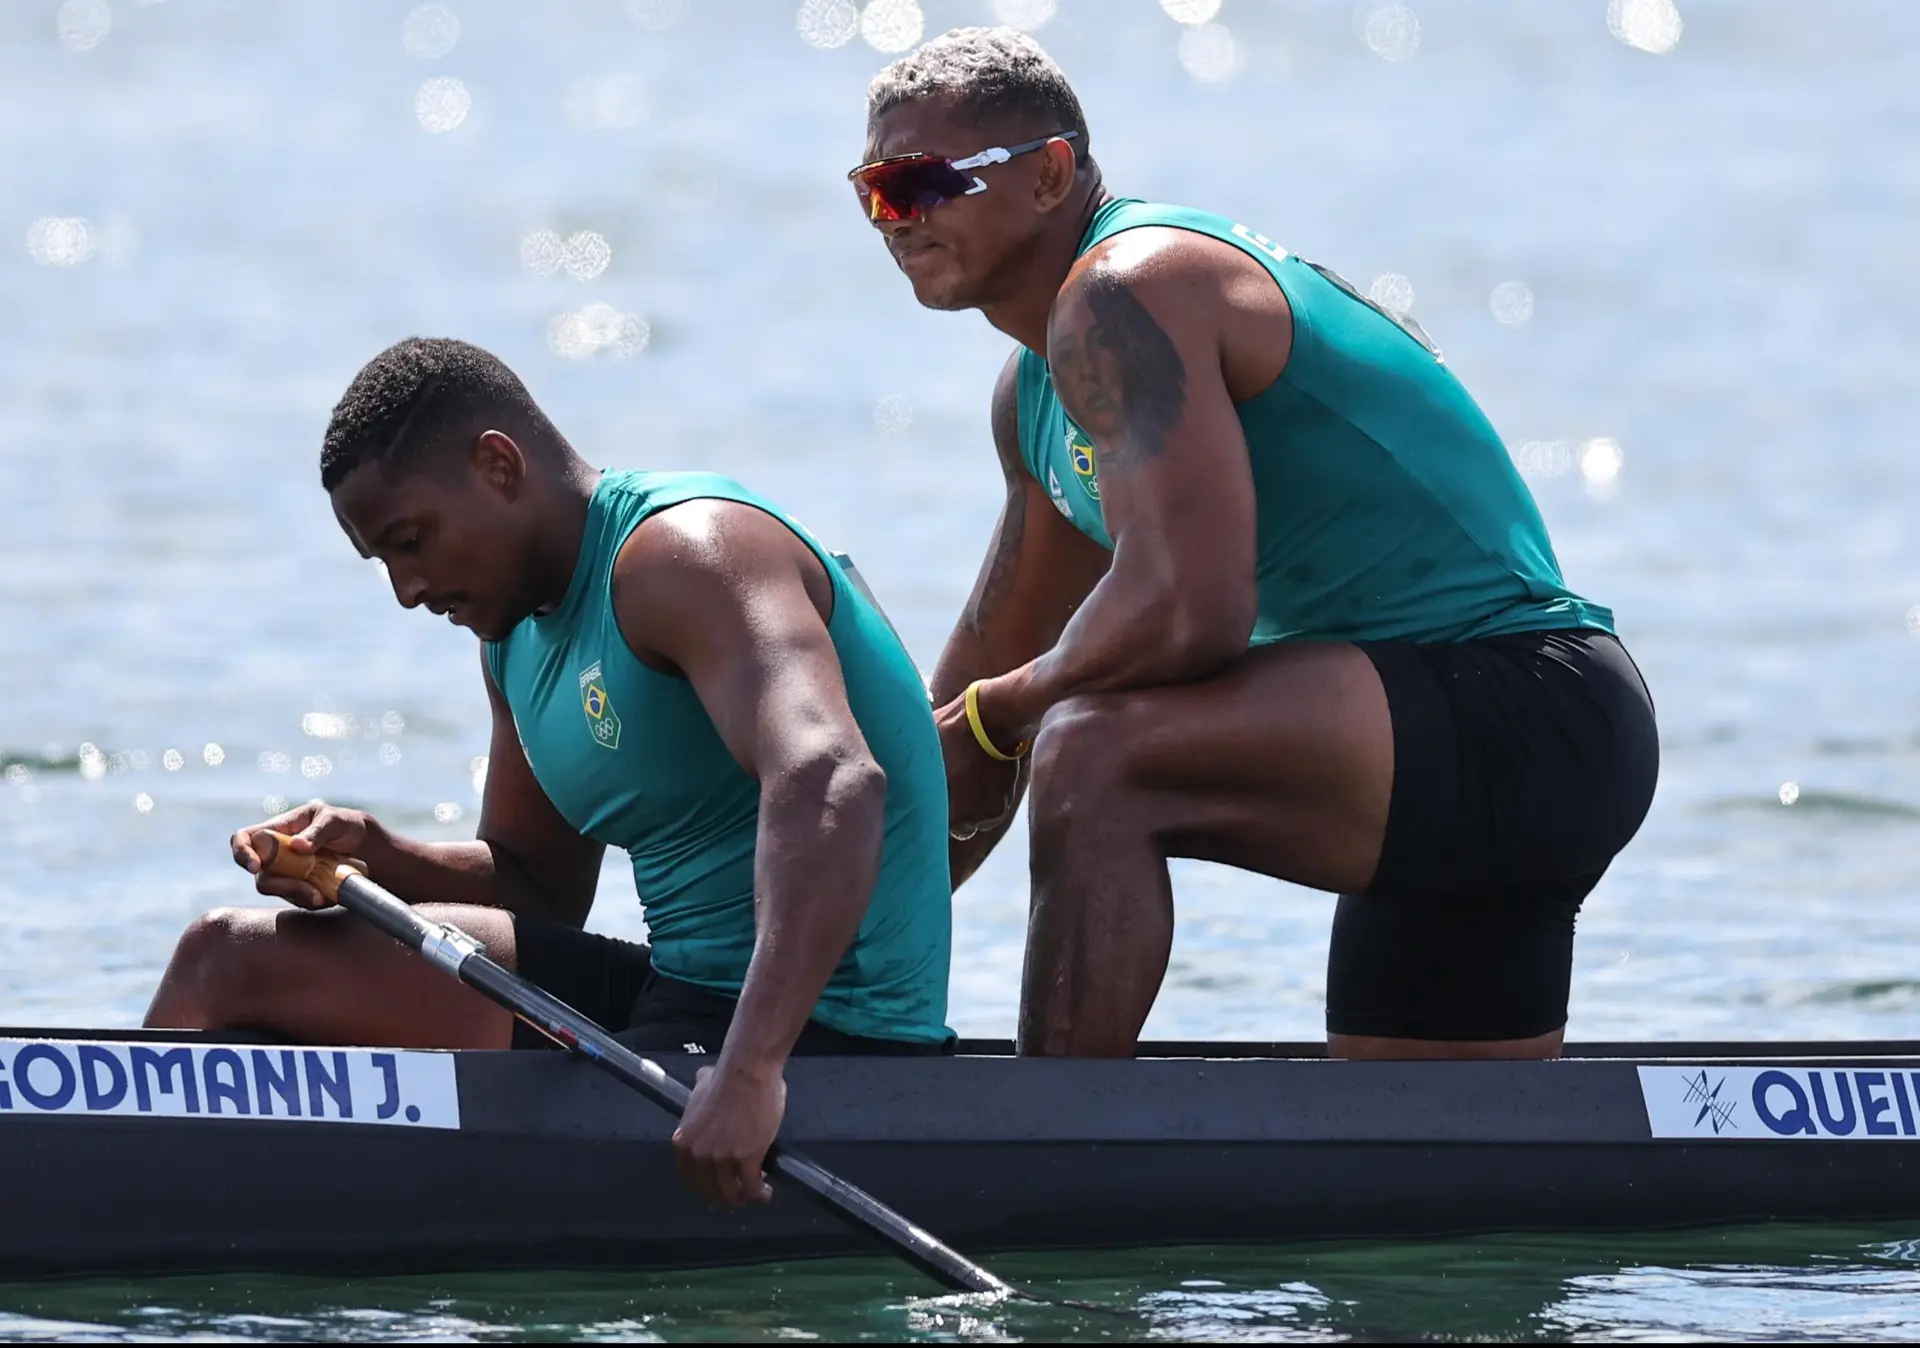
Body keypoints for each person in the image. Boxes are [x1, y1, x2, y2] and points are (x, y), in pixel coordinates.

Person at [848, 28, 1659, 1061]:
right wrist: (790, 988)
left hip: (1525, 708)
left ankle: (1056, 1140)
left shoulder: (1127, 290)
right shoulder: (1036, 398)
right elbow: (958, 729)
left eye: (923, 183)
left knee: (1094, 755)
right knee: (1423, 1184)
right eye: (876, 193)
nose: (897, 221)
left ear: (1050, 173)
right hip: (1424, 760)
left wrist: (1005, 713)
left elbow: (1191, 608)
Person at [144, 337, 954, 1208]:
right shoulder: (511, 637)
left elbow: (833, 779)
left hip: (827, 1032)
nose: (407, 591)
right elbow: (535, 887)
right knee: (220, 961)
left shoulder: (682, 556)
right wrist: (379, 856)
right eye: (383, 562)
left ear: (498, 466)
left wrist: (751, 1071)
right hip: (677, 996)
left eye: (412, 542)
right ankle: (128, 1190)